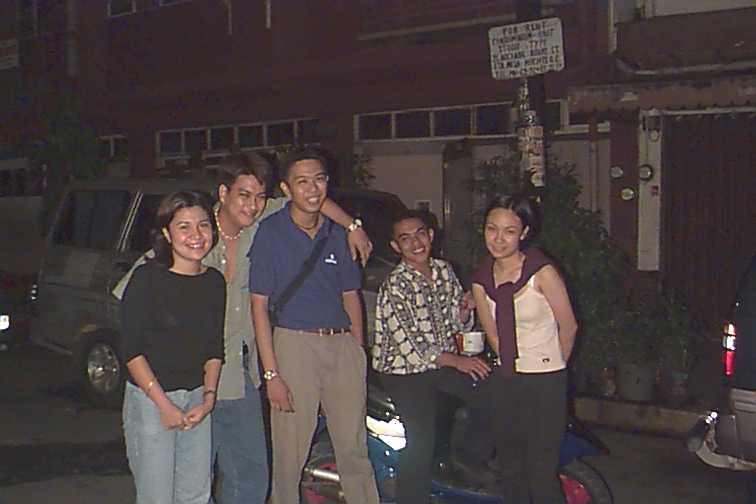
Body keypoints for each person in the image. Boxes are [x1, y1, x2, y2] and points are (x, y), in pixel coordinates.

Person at [113, 151, 372, 504]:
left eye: (259, 197)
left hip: (235, 375)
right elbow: (131, 319)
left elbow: (311, 198)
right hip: (181, 382)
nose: (252, 205)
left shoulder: (259, 226)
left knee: (248, 480)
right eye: (244, 195)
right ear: (223, 193)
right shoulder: (192, 237)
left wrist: (352, 227)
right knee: (179, 487)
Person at [249, 148, 379, 504]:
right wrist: (272, 374)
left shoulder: (338, 232)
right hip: (294, 345)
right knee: (289, 453)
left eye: (319, 180)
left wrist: (357, 350)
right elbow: (258, 306)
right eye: (302, 182)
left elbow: (350, 294)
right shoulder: (270, 232)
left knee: (354, 448)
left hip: (341, 345)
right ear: (286, 189)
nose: (312, 189)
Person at [372, 209, 492, 504]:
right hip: (403, 371)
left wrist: (464, 309)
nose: (415, 243)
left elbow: (456, 325)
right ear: (396, 246)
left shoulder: (443, 270)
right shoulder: (396, 285)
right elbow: (414, 345)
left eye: (420, 234)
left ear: (431, 235)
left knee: (490, 391)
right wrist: (460, 362)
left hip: (439, 363)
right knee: (421, 440)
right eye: (405, 238)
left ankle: (466, 462)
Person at [471, 195, 578, 504]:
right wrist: (511, 371)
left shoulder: (541, 272)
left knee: (541, 473)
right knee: (510, 469)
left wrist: (551, 368)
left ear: (524, 233)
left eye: (509, 231)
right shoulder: (481, 280)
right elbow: (493, 333)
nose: (498, 239)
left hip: (546, 380)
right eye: (492, 229)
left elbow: (569, 326)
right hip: (507, 380)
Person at [121, 191, 225, 504]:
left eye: (203, 225)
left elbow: (214, 347)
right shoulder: (145, 278)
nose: (196, 235)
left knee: (195, 495)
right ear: (166, 233)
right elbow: (131, 351)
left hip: (196, 400)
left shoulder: (214, 282)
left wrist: (208, 399)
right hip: (151, 400)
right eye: (184, 226)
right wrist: (164, 405)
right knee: (157, 497)